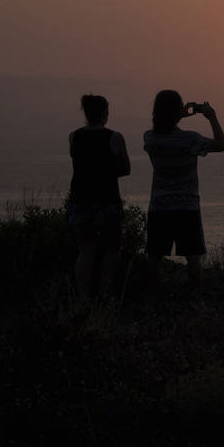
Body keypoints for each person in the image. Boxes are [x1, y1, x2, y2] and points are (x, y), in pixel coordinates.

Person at [143, 89, 224, 294]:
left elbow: (163, 128)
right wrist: (211, 116)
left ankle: (152, 298)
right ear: (177, 111)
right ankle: (195, 298)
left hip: (159, 206)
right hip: (186, 206)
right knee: (193, 258)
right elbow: (221, 145)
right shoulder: (190, 139)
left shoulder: (150, 138)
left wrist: (177, 114)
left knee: (154, 257)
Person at [66, 94, 130, 298]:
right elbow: (125, 169)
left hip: (80, 200)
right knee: (112, 250)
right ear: (105, 113)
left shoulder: (74, 136)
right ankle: (106, 294)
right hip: (107, 200)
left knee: (86, 252)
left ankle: (84, 299)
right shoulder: (114, 137)